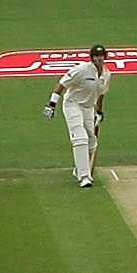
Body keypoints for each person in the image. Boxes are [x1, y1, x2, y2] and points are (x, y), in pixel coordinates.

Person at [44, 44, 112, 188]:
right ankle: (84, 176)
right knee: (80, 138)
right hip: (72, 105)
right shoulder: (81, 70)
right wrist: (51, 104)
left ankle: (79, 168)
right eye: (96, 56)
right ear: (92, 58)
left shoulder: (106, 74)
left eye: (101, 56)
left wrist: (99, 112)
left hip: (88, 108)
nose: (99, 59)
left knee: (92, 141)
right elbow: (62, 84)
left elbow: (101, 94)